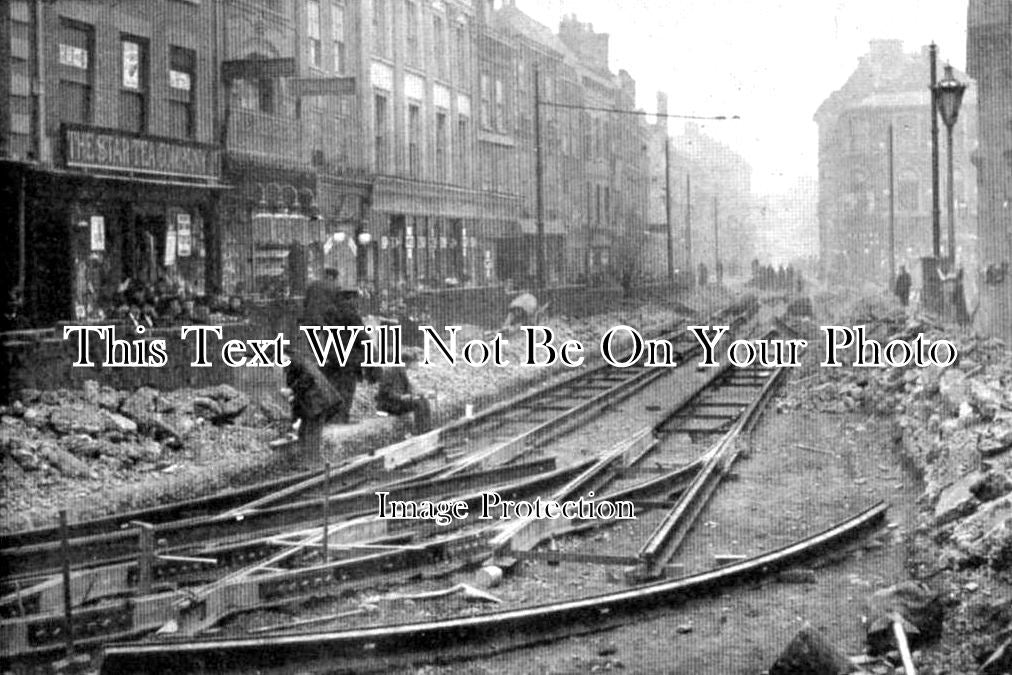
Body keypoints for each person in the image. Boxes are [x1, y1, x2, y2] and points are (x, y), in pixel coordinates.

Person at [301, 268, 368, 424]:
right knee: (345, 382)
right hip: (330, 334)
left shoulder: (312, 285)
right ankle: (341, 417)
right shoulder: (337, 292)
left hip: (312, 322)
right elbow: (359, 334)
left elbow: (305, 303)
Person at [283, 352, 344, 463]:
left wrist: (292, 390)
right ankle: (307, 462)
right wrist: (293, 420)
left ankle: (313, 463)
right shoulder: (295, 366)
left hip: (318, 404)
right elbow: (298, 396)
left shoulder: (298, 363)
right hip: (313, 405)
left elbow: (307, 380)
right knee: (303, 432)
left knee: (312, 434)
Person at [375, 349, 431, 434]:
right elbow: (386, 392)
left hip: (398, 402)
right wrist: (401, 397)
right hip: (389, 405)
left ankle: (426, 427)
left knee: (424, 401)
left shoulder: (402, 372)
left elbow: (408, 388)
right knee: (418, 404)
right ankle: (420, 430)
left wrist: (417, 393)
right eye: (413, 362)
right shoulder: (389, 372)